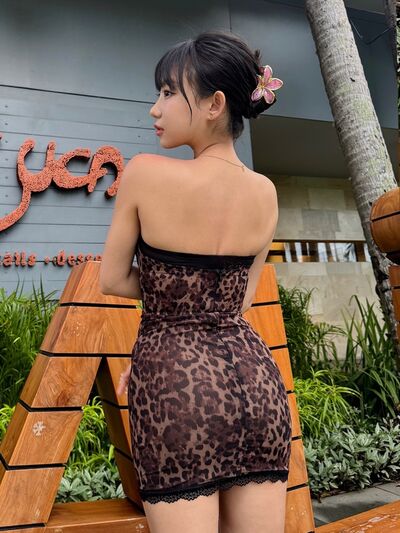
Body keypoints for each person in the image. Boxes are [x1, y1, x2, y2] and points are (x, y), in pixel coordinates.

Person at [99, 29, 291, 533]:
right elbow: (238, 302)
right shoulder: (265, 192)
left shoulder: (145, 173)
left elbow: (112, 278)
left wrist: (162, 343)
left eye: (168, 92)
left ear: (214, 104)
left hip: (176, 393)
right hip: (257, 388)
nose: (155, 108)